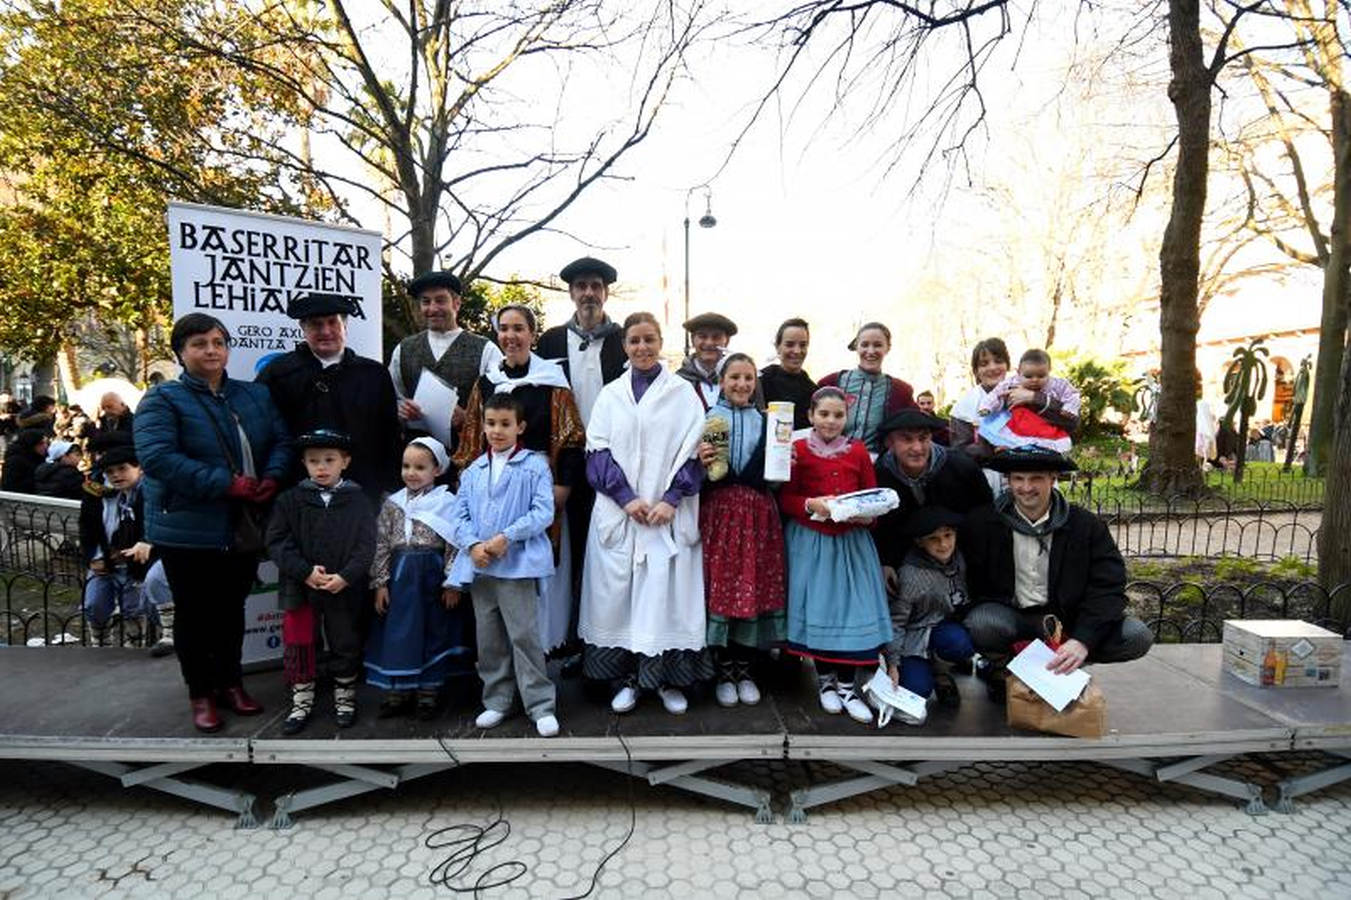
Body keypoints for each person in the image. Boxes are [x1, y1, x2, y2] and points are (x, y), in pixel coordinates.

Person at [134, 312, 292, 733]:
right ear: (181, 352)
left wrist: (272, 477)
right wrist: (228, 484)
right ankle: (200, 692)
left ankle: (230, 683)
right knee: (194, 614)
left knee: (230, 610)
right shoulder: (162, 399)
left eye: (218, 342)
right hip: (187, 526)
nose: (211, 350)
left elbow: (281, 440)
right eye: (200, 343)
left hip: (240, 525)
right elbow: (158, 458)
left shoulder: (252, 396)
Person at [578, 312, 712, 715]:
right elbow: (596, 450)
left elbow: (696, 449)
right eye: (634, 340)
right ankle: (629, 681)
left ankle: (668, 681)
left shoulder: (682, 394)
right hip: (624, 514)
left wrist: (672, 498)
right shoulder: (611, 395)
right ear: (625, 346)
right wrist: (626, 497)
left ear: (661, 342)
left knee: (664, 601)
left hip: (668, 515)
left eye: (649, 339)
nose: (642, 348)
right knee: (619, 602)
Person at [959, 448, 1154, 700]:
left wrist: (1082, 640)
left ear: (1053, 479)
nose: (1026, 487)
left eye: (1036, 478)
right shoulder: (983, 523)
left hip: (1067, 620)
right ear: (1008, 480)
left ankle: (1065, 666)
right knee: (982, 623)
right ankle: (1002, 667)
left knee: (1137, 636)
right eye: (1018, 478)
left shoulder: (1085, 526)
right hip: (1013, 617)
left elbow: (1108, 585)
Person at [452, 304, 585, 655]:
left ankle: (543, 647)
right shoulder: (488, 383)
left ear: (532, 334)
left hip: (540, 483)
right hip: (493, 485)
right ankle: (502, 658)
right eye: (504, 329)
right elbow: (470, 439)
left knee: (540, 569)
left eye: (519, 328)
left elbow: (571, 436)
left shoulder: (552, 382)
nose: (511, 336)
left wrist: (564, 485)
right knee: (497, 558)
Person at [779, 386, 892, 726]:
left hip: (851, 543)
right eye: (824, 414)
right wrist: (809, 505)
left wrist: (867, 512)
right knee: (821, 609)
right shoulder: (797, 449)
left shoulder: (857, 451)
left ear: (847, 417)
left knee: (852, 612)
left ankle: (848, 687)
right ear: (811, 415)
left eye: (838, 415)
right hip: (811, 541)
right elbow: (785, 497)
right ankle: (826, 683)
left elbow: (872, 496)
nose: (830, 421)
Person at [449, 393, 560, 738]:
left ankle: (540, 705)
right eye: (491, 423)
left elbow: (543, 511)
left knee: (524, 635)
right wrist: (473, 545)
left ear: (519, 427)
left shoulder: (534, 465)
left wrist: (506, 538)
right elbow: (459, 515)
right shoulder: (473, 471)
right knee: (490, 638)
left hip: (516, 566)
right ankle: (497, 700)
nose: (497, 431)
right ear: (482, 426)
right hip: (481, 566)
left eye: (505, 424)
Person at [265, 430, 376, 733]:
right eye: (314, 461)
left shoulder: (357, 501)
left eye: (329, 460)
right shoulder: (290, 500)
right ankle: (301, 700)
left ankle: (345, 696)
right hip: (300, 587)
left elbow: (367, 545)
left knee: (345, 640)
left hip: (343, 587)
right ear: (303, 463)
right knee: (301, 642)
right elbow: (277, 541)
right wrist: (305, 572)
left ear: (346, 461)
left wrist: (346, 576)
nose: (321, 467)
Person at [696, 354, 787, 707]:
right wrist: (700, 464)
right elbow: (699, 477)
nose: (742, 384)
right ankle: (721, 669)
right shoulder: (709, 419)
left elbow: (775, 483)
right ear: (722, 381)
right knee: (721, 588)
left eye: (748, 378)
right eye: (734, 377)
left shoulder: (769, 423)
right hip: (718, 517)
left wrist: (783, 465)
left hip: (757, 518)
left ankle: (744, 669)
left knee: (751, 587)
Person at [256, 291, 403, 503]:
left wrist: (390, 486)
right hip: (298, 494)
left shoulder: (374, 374)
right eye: (316, 324)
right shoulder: (278, 374)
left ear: (345, 326)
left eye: (333, 323)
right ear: (303, 329)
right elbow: (267, 435)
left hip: (363, 493)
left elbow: (389, 434)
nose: (326, 331)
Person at [366, 437, 468, 719]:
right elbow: (382, 543)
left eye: (420, 467)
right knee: (399, 634)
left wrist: (452, 582)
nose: (411, 473)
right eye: (406, 466)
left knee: (433, 631)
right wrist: (381, 583)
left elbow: (455, 544)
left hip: (432, 578)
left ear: (436, 470)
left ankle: (428, 691)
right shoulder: (393, 504)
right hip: (401, 579)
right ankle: (398, 691)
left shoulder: (447, 502)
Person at [871, 407, 993, 593]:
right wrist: (886, 562)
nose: (917, 448)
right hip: (909, 565)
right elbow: (882, 526)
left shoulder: (961, 467)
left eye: (923, 438)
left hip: (962, 556)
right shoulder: (880, 475)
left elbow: (984, 512)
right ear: (890, 443)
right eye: (907, 439)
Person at [389, 270, 504, 450]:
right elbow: (392, 398)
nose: (433, 308)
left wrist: (468, 417)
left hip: (468, 456)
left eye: (440, 300)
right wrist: (401, 409)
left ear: (456, 303)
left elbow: (502, 407)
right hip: (416, 461)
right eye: (426, 302)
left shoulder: (486, 350)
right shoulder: (403, 349)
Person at [77, 441, 172, 649]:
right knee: (95, 604)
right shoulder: (96, 493)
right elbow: (87, 528)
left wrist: (146, 544)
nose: (116, 475)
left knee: (134, 607)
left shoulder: (147, 491)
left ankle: (136, 645)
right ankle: (101, 643)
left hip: (135, 561)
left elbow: (155, 522)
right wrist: (93, 557)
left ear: (139, 468)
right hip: (105, 561)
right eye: (110, 471)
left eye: (122, 469)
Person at [885, 506, 973, 716]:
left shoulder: (960, 560)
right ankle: (923, 671)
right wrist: (893, 664)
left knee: (960, 642)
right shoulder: (911, 575)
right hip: (913, 638)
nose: (943, 544)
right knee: (916, 691)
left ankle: (941, 672)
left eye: (948, 535)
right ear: (919, 542)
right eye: (934, 539)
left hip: (944, 630)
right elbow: (896, 622)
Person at [537, 256, 627, 425]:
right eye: (581, 286)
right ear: (571, 293)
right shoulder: (551, 342)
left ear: (605, 293)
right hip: (566, 446)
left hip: (613, 442)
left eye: (596, 286)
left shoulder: (624, 341)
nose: (589, 293)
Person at [816, 323, 915, 458]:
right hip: (831, 461)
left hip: (877, 467)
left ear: (888, 348)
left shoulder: (900, 391)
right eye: (865, 345)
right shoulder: (831, 383)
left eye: (878, 345)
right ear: (857, 346)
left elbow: (919, 427)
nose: (871, 351)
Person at [976, 348, 1081, 453]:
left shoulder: (1058, 384)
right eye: (1028, 376)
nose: (1035, 380)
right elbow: (996, 395)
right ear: (1018, 373)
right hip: (1019, 420)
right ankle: (1010, 446)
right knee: (1006, 429)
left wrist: (1070, 407)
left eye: (1041, 376)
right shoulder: (1011, 382)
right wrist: (986, 407)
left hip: (1045, 421)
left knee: (1046, 437)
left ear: (1049, 371)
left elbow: (1072, 394)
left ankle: (1041, 450)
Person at [948, 337, 1011, 461]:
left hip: (1025, 474)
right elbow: (959, 452)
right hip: (983, 475)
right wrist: (992, 449)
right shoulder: (964, 407)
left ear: (1007, 365)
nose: (992, 368)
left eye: (998, 361)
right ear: (976, 371)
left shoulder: (1024, 395)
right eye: (984, 364)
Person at [758, 318, 816, 430]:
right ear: (777, 347)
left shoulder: (812, 391)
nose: (797, 351)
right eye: (790, 344)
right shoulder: (760, 381)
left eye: (803, 345)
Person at [676, 312, 739, 411]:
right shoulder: (678, 382)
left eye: (716, 337)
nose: (709, 342)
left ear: (726, 341)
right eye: (702, 336)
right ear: (693, 340)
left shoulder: (741, 380)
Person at [1, 428, 49, 493]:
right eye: (41, 444)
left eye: (46, 443)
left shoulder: (41, 458)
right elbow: (10, 486)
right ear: (31, 444)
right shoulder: (15, 461)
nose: (45, 446)